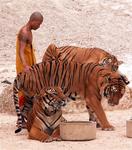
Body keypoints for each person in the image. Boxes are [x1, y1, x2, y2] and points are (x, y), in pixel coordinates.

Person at [16, 12, 43, 109]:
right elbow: (21, 51)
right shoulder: (24, 32)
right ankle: (21, 119)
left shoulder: (29, 31)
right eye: (39, 24)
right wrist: (25, 65)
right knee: (24, 89)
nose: (39, 26)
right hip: (24, 66)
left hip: (30, 64)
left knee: (31, 88)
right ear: (33, 21)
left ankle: (29, 115)